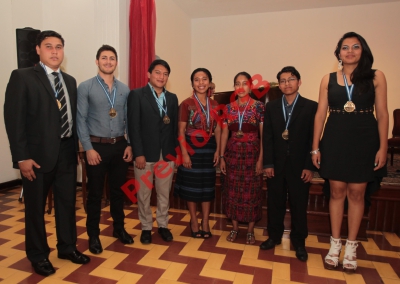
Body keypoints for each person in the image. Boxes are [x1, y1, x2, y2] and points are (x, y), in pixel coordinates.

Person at [3, 30, 90, 276]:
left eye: (59, 47)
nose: (54, 51)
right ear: (38, 50)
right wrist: (22, 157)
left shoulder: (70, 81)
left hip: (65, 152)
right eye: (49, 46)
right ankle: (39, 255)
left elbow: (70, 119)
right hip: (36, 156)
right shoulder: (23, 77)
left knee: (66, 203)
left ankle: (67, 247)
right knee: (35, 209)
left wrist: (75, 149)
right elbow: (14, 119)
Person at [312, 32, 388, 272]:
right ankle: (335, 245)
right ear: (339, 53)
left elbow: (383, 113)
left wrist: (383, 147)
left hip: (365, 139)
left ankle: (351, 246)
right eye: (345, 47)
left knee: (356, 193)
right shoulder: (328, 79)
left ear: (362, 50)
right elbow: (320, 114)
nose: (350, 51)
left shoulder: (376, 76)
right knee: (336, 191)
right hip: (335, 138)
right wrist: (315, 146)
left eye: (355, 47)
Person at [77, 45, 133, 254]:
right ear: (97, 61)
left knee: (118, 192)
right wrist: (88, 149)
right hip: (96, 147)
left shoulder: (125, 89)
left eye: (112, 58)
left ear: (116, 63)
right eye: (104, 58)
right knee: (95, 195)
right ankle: (93, 236)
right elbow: (81, 120)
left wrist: (130, 145)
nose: (108, 61)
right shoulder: (86, 87)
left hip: (119, 146)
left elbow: (129, 120)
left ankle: (119, 229)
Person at [260, 66, 317, 262]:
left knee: (298, 204)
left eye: (291, 79)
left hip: (300, 165)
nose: (287, 83)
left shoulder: (311, 107)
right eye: (283, 80)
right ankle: (274, 237)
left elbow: (314, 139)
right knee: (274, 202)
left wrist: (309, 166)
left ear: (299, 82)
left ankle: (299, 242)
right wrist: (267, 163)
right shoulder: (272, 107)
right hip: (276, 164)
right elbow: (267, 137)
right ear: (279, 85)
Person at [127, 59, 179, 244]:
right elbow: (134, 126)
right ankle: (146, 227)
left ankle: (163, 225)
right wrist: (138, 153)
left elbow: (173, 129)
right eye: (158, 72)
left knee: (165, 193)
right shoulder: (137, 95)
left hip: (166, 154)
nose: (161, 77)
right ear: (149, 74)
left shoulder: (172, 98)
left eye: (165, 74)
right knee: (143, 193)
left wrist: (174, 153)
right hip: (145, 155)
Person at [174, 68, 221, 239]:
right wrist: (184, 154)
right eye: (197, 79)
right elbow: (180, 132)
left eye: (204, 79)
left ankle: (206, 221)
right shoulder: (186, 104)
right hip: (191, 149)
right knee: (191, 188)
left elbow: (218, 130)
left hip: (209, 150)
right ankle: (194, 221)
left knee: (207, 187)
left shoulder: (215, 105)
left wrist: (218, 151)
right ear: (192, 83)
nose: (201, 83)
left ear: (209, 82)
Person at [220, 72, 264, 245]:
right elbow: (224, 133)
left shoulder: (259, 107)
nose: (241, 87)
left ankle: (251, 231)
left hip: (252, 154)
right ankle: (235, 228)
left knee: (252, 193)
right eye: (237, 83)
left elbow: (264, 134)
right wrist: (222, 156)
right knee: (232, 192)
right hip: (232, 155)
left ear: (250, 86)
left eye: (244, 83)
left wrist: (261, 159)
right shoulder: (228, 108)